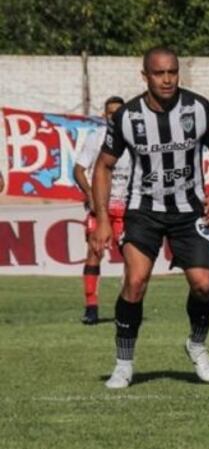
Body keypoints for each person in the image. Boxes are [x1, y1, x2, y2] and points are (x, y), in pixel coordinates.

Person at [89, 46, 209, 390]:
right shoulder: (127, 117)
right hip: (144, 210)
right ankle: (123, 364)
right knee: (135, 283)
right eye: (159, 73)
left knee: (204, 285)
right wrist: (103, 219)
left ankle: (196, 344)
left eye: (172, 72)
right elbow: (103, 167)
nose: (167, 79)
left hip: (188, 211)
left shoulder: (198, 108)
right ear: (145, 76)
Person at [73, 96, 131, 325]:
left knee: (132, 259)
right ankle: (91, 308)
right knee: (94, 253)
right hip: (101, 208)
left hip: (127, 208)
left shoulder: (135, 140)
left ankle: (126, 307)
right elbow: (79, 170)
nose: (114, 116)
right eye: (110, 112)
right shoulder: (96, 138)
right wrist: (89, 193)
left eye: (118, 112)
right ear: (104, 115)